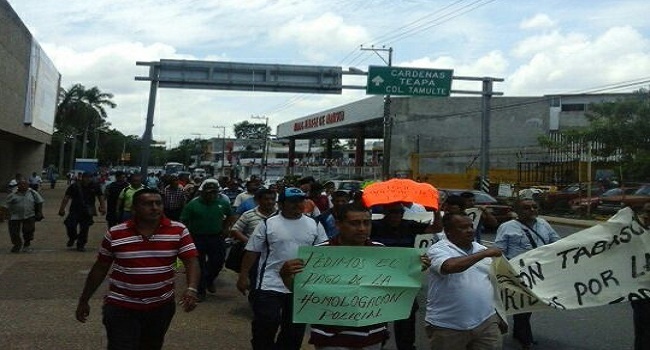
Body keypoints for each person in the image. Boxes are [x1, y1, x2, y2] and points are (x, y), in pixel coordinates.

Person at [75, 188, 200, 350]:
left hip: (160, 306)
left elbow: (191, 261)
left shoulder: (178, 230)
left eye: (158, 203)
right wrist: (84, 300)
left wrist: (191, 289)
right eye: (148, 204)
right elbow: (100, 267)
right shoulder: (116, 234)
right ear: (134, 208)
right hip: (121, 306)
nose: (154, 207)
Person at [279, 203, 390, 349]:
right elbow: (302, 293)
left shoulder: (382, 252)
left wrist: (414, 270)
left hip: (372, 336)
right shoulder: (318, 255)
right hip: (330, 338)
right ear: (338, 224)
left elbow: (394, 288)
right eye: (355, 223)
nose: (362, 228)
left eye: (367, 223)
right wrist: (285, 275)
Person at [236, 187, 328, 350]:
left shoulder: (314, 224)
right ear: (281, 204)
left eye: (301, 201)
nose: (297, 205)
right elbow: (252, 251)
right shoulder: (268, 224)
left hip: (300, 286)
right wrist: (243, 276)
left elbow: (323, 252)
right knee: (266, 323)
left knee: (294, 331)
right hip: (269, 284)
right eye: (292, 202)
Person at [425, 212, 504, 350]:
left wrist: (498, 315)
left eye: (471, 226)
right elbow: (450, 266)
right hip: (448, 326)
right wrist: (485, 254)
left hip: (486, 321)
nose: (470, 230)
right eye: (463, 227)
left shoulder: (481, 249)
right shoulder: (438, 249)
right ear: (448, 231)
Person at [370, 202, 441, 350]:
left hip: (404, 279)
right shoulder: (374, 226)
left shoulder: (409, 225)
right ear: (385, 213)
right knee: (377, 314)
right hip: (379, 278)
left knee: (407, 315)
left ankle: (406, 346)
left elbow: (436, 228)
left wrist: (436, 211)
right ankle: (377, 342)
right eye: (393, 212)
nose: (396, 215)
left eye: (399, 212)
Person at [494, 199, 561, 350]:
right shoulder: (506, 227)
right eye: (526, 208)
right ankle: (525, 338)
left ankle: (519, 332)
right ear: (517, 210)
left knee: (528, 304)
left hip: (539, 273)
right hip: (517, 273)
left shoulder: (543, 224)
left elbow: (556, 243)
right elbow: (499, 251)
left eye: (534, 207)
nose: (531, 210)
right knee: (522, 303)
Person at [180, 178, 236, 300]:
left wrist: (226, 228)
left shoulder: (222, 203)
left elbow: (230, 216)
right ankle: (200, 290)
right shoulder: (193, 204)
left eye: (214, 192)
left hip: (216, 237)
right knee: (198, 264)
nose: (212, 195)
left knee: (218, 262)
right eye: (209, 192)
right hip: (197, 238)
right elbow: (184, 220)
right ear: (203, 192)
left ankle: (209, 279)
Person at [58, 172, 106, 251]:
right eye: (86, 177)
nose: (88, 179)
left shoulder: (95, 186)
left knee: (84, 228)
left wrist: (103, 207)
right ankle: (73, 237)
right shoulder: (74, 186)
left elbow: (100, 196)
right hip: (75, 210)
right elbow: (66, 197)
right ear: (82, 178)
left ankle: (81, 244)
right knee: (70, 225)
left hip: (87, 211)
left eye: (89, 178)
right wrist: (62, 209)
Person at [3, 179, 44, 253]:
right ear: (18, 186)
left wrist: (39, 212)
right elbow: (6, 206)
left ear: (28, 185)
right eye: (21, 184)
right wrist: (6, 215)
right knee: (14, 232)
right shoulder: (12, 194)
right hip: (14, 216)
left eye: (25, 184)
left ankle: (27, 244)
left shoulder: (32, 193)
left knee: (29, 230)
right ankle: (17, 244)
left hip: (29, 215)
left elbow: (39, 201)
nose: (23, 186)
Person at [631, 202, 650, 350]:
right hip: (641, 293)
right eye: (645, 213)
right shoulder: (636, 234)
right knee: (642, 329)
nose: (645, 216)